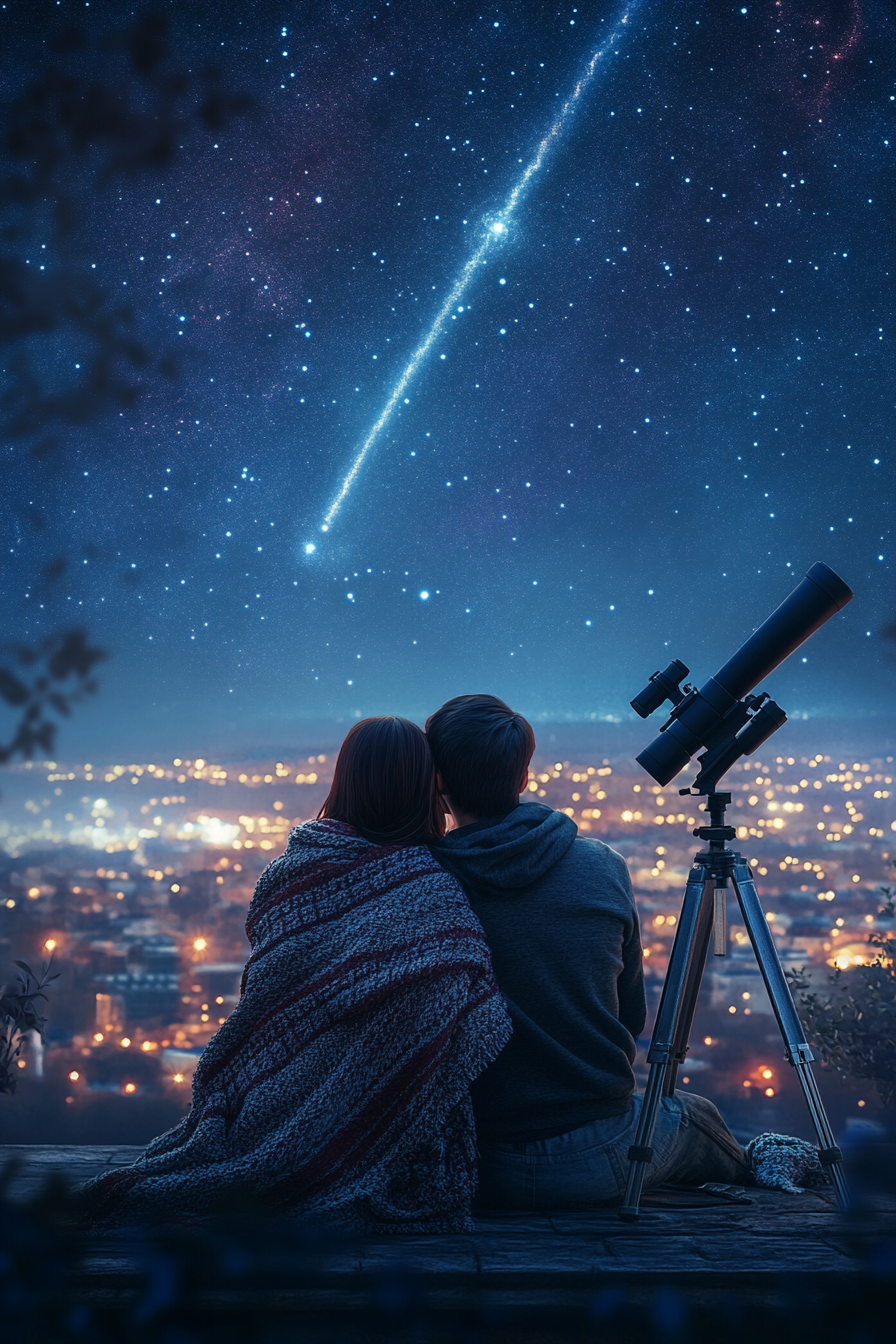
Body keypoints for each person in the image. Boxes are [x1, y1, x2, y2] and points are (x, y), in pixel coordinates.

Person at [79, 717, 511, 1231]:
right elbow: (476, 1023)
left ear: (342, 781)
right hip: (388, 1129)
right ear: (425, 789)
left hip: (262, 1106)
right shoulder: (436, 895)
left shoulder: (291, 875)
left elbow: (266, 1001)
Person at [426, 694, 750, 1210]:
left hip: (472, 1165)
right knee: (692, 1114)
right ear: (524, 777)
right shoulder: (601, 866)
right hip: (605, 1157)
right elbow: (631, 1017)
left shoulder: (418, 882)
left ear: (436, 779)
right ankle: (777, 1168)